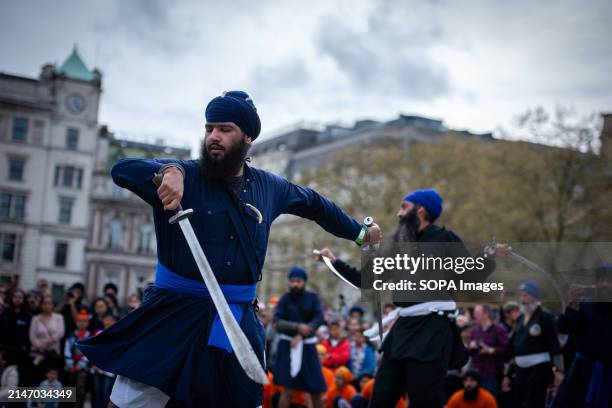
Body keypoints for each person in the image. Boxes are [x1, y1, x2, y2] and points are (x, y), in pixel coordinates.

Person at [77, 90, 380, 407]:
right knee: (125, 403)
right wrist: (168, 171)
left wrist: (360, 233)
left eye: (224, 129)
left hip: (234, 320)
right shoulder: (185, 173)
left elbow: (316, 205)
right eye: (209, 129)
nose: (213, 137)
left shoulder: (269, 187)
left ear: (247, 137)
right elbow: (122, 170)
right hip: (172, 316)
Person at [316, 189, 507, 407]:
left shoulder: (445, 240)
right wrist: (334, 262)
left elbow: (470, 273)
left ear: (421, 210)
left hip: (433, 330)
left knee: (423, 401)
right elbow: (366, 279)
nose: (398, 213)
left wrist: (488, 255)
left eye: (404, 207)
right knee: (380, 398)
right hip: (403, 329)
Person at [551, 263, 612, 408]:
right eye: (601, 280)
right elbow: (563, 328)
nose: (605, 284)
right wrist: (571, 307)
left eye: (609, 281)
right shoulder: (585, 306)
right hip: (583, 372)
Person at [273, 266, 326, 408]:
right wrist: (297, 327)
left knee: (316, 390)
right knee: (287, 389)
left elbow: (319, 318)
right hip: (289, 347)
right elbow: (277, 323)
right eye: (292, 281)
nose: (295, 284)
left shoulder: (313, 298)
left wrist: (303, 333)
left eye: (298, 281)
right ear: (289, 282)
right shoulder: (284, 299)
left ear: (304, 282)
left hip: (308, 347)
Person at [510, 281, 561, 408]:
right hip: (520, 367)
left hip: (539, 367)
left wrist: (559, 370)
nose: (523, 299)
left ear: (535, 297)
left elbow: (554, 344)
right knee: (518, 401)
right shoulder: (520, 318)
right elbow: (514, 343)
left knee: (533, 402)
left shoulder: (545, 316)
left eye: (526, 295)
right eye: (521, 295)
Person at [468, 304, 508, 395]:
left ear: (486, 314)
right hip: (475, 374)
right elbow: (469, 352)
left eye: (477, 313)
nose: (474, 316)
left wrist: (490, 350)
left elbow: (507, 349)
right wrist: (471, 347)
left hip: (491, 374)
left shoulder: (499, 330)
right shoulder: (474, 331)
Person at [64, 310, 91, 408]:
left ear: (88, 323)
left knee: (80, 389)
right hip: (70, 367)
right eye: (79, 321)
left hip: (82, 368)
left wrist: (80, 365)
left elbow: (89, 353)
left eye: (84, 321)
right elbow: (67, 350)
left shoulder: (89, 336)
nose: (82, 323)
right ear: (76, 322)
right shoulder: (71, 335)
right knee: (70, 389)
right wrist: (70, 364)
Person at [29, 295, 65, 364]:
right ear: (41, 305)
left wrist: (48, 342)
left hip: (53, 352)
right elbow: (32, 336)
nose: (47, 306)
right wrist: (40, 345)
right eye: (45, 303)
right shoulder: (35, 319)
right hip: (37, 352)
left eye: (49, 303)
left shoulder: (59, 317)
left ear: (52, 305)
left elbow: (60, 333)